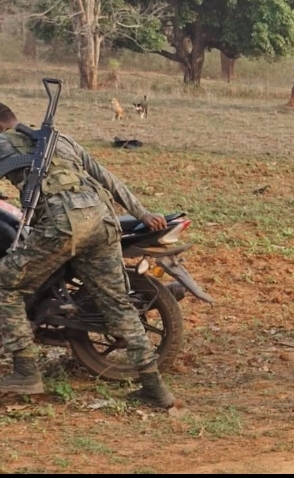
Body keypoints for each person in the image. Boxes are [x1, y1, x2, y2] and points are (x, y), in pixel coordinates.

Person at [0, 102, 175, 408]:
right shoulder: (58, 139)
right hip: (103, 222)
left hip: (63, 225)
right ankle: (155, 389)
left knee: (7, 285)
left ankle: (26, 371)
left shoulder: (3, 144)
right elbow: (106, 177)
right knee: (119, 306)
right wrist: (142, 213)